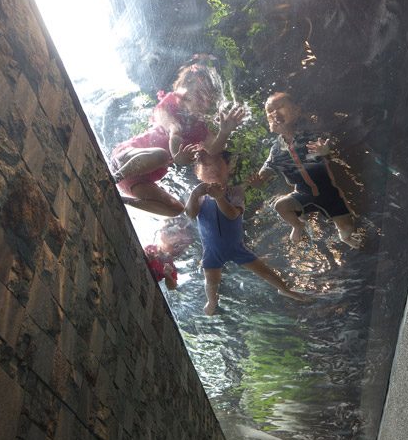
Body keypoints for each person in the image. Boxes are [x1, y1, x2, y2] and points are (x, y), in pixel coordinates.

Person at [111, 62, 245, 216]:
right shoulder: (169, 104)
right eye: (198, 93)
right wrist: (177, 156)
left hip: (138, 182)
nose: (203, 99)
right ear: (184, 91)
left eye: (207, 97)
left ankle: (121, 200)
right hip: (124, 161)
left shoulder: (200, 130)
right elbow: (174, 131)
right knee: (161, 155)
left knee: (177, 209)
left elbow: (213, 149)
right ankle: (112, 178)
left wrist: (224, 132)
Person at [185, 151, 307, 315]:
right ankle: (212, 300)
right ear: (200, 176)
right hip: (212, 251)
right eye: (208, 171)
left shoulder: (235, 192)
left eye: (218, 170)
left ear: (227, 170)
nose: (214, 174)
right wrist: (194, 194)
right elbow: (190, 214)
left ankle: (284, 289)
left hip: (236, 248)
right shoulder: (199, 197)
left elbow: (232, 214)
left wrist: (220, 198)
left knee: (263, 271)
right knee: (211, 280)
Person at [251, 92, 360, 248]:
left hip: (329, 193)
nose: (274, 113)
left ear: (296, 111)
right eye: (269, 111)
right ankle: (298, 225)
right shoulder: (276, 150)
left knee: (348, 232)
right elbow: (266, 171)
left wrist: (325, 152)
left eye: (280, 107)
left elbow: (330, 154)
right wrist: (258, 182)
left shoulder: (310, 136)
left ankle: (348, 238)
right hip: (303, 193)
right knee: (281, 206)